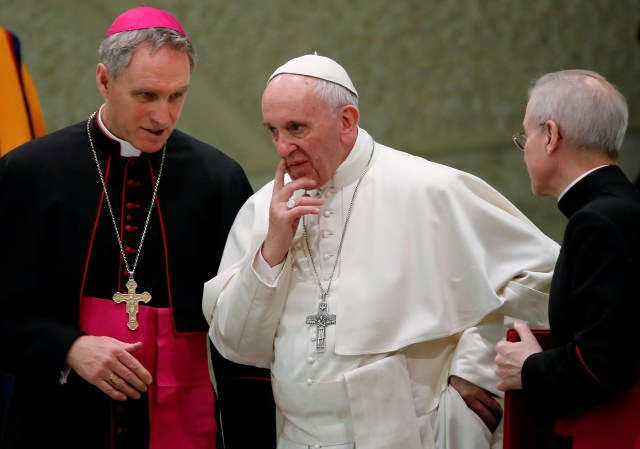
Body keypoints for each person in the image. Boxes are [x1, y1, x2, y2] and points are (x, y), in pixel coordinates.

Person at [202, 53, 560, 449]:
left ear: (346, 121)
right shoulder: (264, 209)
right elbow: (236, 343)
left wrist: (475, 373)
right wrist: (273, 250)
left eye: (296, 128)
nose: (283, 147)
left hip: (412, 434)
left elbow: (546, 277)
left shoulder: (427, 188)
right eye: (272, 131)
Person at [0, 6, 275, 449]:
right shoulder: (30, 172)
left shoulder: (217, 180)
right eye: (146, 95)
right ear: (105, 81)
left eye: (177, 96)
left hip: (182, 427)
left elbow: (244, 333)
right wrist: (68, 347)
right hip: (56, 421)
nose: (163, 116)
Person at [495, 70, 640, 448]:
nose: (524, 147)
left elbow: (605, 362)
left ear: (551, 136)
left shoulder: (598, 221)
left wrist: (529, 368)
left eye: (526, 135)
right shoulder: (622, 208)